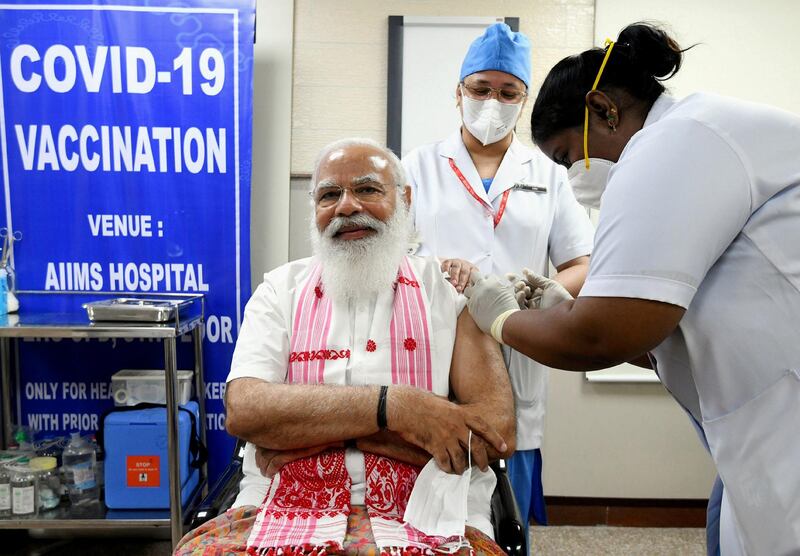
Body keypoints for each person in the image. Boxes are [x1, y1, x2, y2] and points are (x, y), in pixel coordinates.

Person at [464, 22, 800, 556]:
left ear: (603, 110)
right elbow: (660, 335)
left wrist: (500, 316)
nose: (574, 174)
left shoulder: (674, 144)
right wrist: (562, 309)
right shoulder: (690, 137)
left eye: (568, 155)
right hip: (757, 413)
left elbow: (599, 339)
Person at [175, 138, 516, 555]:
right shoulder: (278, 291)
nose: (347, 207)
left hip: (429, 507)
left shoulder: (450, 293)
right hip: (281, 502)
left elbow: (494, 431)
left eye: (368, 189)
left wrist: (315, 434)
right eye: (329, 195)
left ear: (404, 200)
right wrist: (401, 409)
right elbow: (246, 411)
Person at [402, 22, 595, 541]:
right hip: (435, 343)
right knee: (431, 502)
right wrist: (438, 272)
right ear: (458, 92)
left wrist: (533, 291)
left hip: (517, 343)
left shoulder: (550, 174)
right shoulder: (417, 167)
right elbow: (392, 259)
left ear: (523, 99)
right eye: (481, 89)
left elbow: (581, 262)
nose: (493, 102)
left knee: (508, 499)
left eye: (508, 93)